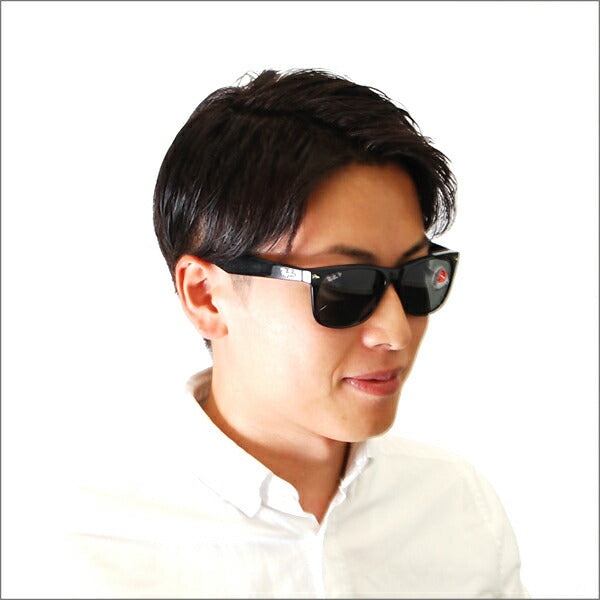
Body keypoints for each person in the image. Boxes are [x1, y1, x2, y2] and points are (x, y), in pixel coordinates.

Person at [66, 68, 529, 598]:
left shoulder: (456, 508)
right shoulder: (83, 550)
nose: (396, 332)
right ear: (206, 296)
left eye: (417, 277)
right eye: (346, 285)